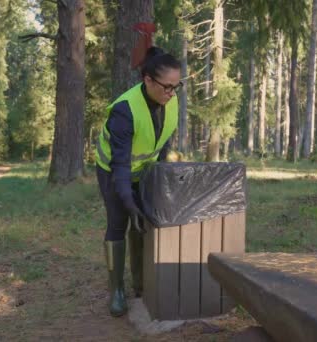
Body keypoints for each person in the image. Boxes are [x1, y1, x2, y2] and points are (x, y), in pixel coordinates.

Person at [95, 46, 182, 317]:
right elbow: (119, 165)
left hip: (144, 169)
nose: (171, 93)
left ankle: (140, 283)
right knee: (120, 221)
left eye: (176, 87)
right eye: (166, 87)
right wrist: (128, 200)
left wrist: (160, 173)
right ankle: (117, 291)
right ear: (147, 80)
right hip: (113, 172)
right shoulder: (125, 110)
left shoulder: (171, 101)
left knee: (142, 224)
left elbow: (163, 139)